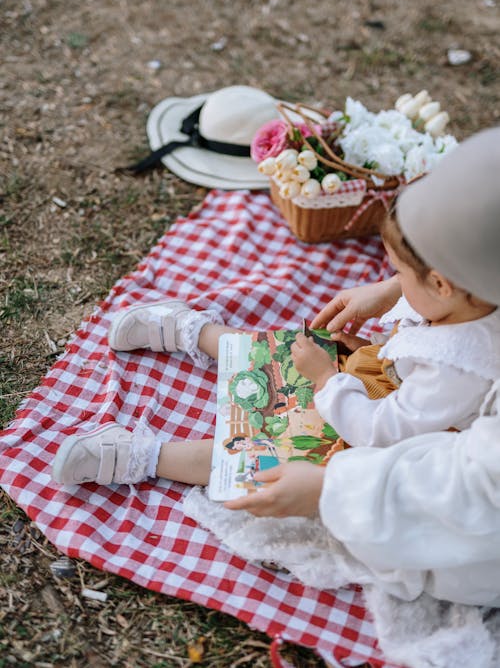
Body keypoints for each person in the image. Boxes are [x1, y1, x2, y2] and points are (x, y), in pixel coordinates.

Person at [52, 127, 500, 605]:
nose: (393, 279)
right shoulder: (474, 298)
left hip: (398, 434)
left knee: (274, 445)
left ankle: (149, 456)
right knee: (291, 352)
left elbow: (385, 433)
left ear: (442, 284)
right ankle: (203, 336)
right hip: (394, 384)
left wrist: (328, 380)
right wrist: (395, 291)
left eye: (401, 272)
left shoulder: (457, 370)